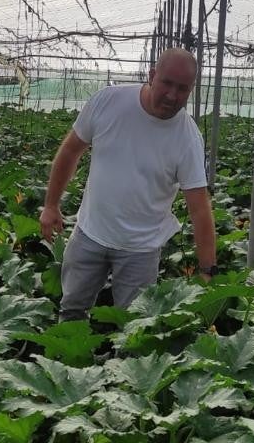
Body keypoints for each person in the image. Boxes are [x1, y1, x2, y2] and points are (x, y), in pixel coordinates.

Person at [39, 48, 217, 322]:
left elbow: (200, 209)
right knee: (72, 310)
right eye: (167, 83)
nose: (172, 95)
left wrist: (207, 269)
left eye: (182, 89)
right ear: (152, 75)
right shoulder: (108, 101)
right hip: (90, 233)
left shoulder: (188, 138)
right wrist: (51, 205)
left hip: (141, 250)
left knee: (134, 330)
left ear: (191, 89)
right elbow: (70, 151)